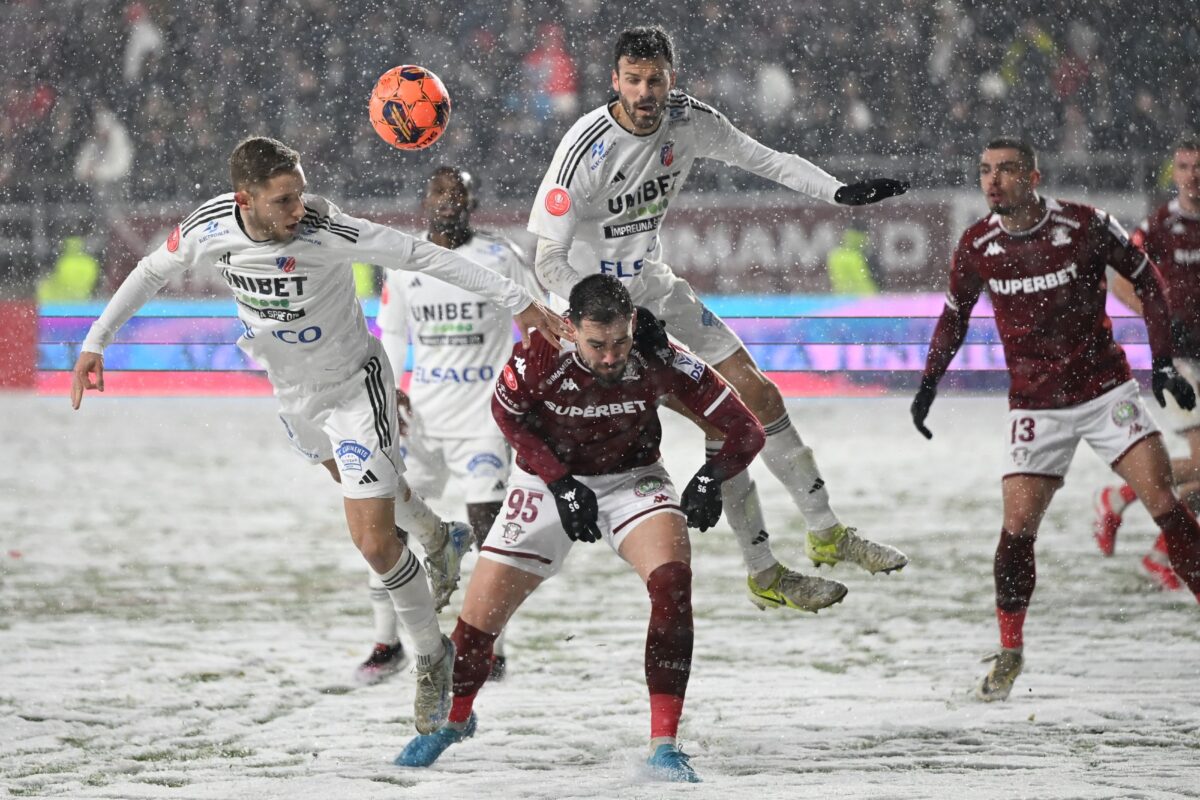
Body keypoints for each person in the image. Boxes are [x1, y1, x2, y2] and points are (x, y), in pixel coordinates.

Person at [69, 136, 568, 732]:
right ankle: (439, 535)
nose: (297, 209)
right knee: (360, 491)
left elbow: (422, 256)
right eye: (283, 201)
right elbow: (152, 270)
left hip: (357, 389)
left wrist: (520, 301)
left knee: (374, 542)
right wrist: (96, 341)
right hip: (295, 396)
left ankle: (433, 658)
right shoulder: (209, 226)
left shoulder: (328, 228)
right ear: (244, 200)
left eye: (300, 193)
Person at [528, 25, 909, 614]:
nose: (645, 91)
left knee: (759, 394)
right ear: (614, 81)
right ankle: (763, 568)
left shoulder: (690, 119)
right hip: (597, 321)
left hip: (654, 289)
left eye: (655, 79)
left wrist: (837, 194)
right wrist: (602, 311)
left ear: (671, 78)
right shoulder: (586, 150)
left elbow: (766, 160)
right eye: (633, 80)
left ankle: (827, 532)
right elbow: (546, 259)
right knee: (724, 422)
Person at [393, 275, 765, 783]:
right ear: (571, 329)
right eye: (596, 345)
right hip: (546, 483)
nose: (610, 357)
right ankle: (454, 722)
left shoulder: (661, 355)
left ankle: (664, 744)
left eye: (619, 343)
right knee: (476, 625)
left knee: (673, 583)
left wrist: (710, 477)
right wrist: (561, 483)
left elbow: (748, 428)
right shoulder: (540, 355)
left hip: (634, 479)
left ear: (634, 325)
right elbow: (506, 415)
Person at [910, 137, 1200, 703]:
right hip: (1035, 407)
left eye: (1006, 170)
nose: (993, 181)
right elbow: (954, 318)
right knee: (1017, 531)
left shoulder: (1084, 224)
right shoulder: (977, 245)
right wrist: (928, 383)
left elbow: (1146, 280)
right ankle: (1010, 650)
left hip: (1104, 391)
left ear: (1034, 176)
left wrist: (1161, 361)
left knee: (1166, 503)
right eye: (985, 171)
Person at [356, 166, 537, 685]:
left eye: (458, 192)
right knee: (387, 525)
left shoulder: (499, 257)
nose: (448, 200)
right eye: (439, 192)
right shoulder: (404, 263)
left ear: (473, 201)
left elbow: (531, 320)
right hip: (423, 420)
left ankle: (490, 647)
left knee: (490, 530)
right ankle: (386, 643)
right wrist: (390, 391)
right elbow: (391, 336)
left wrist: (529, 386)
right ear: (425, 201)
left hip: (483, 418)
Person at [1094, 138, 1200, 590]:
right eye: (1184, 166)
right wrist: (1158, 320)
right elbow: (1119, 280)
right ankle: (1127, 509)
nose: (1193, 175)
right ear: (1174, 172)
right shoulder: (1160, 224)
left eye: (1199, 166)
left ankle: (1154, 547)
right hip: (1180, 359)